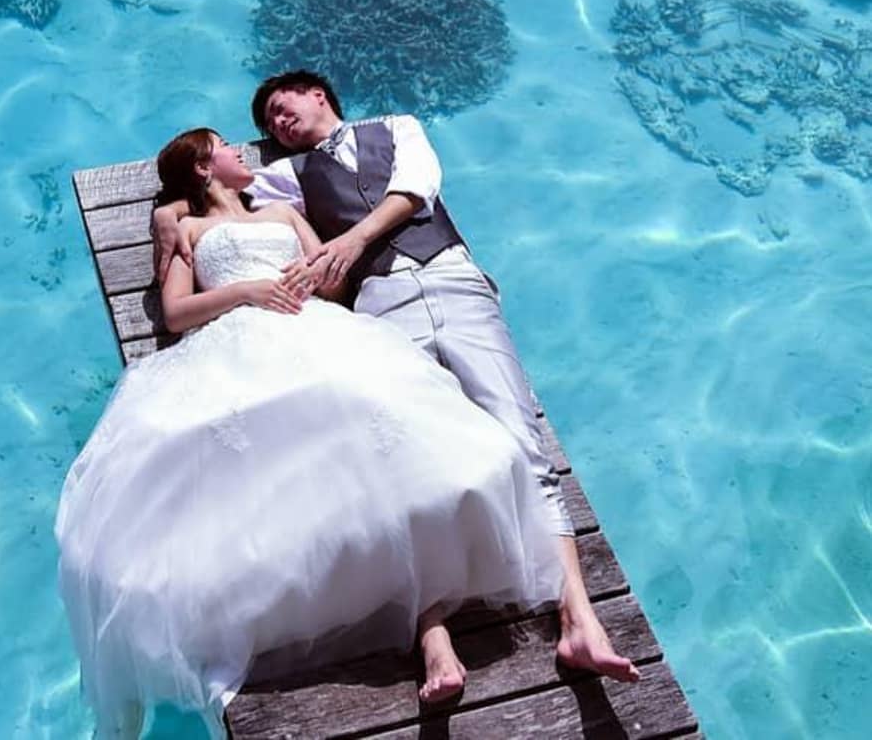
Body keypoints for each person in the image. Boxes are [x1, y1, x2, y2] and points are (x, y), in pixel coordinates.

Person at [57, 127, 564, 738]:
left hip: (313, 328)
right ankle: (426, 636)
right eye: (223, 146)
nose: (239, 152)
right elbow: (176, 313)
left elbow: (333, 280)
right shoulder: (188, 229)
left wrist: (307, 279)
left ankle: (435, 635)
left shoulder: (280, 211)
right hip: (235, 342)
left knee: (402, 458)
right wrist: (245, 290)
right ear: (200, 167)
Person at [151, 71, 640, 686]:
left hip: (454, 280)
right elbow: (212, 198)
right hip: (380, 302)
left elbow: (414, 189)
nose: (274, 126)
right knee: (400, 448)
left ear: (317, 95)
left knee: (521, 436)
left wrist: (350, 242)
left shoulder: (397, 128)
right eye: (266, 123)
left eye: (280, 108)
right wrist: (170, 217)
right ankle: (432, 634)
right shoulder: (285, 178)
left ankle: (579, 620)